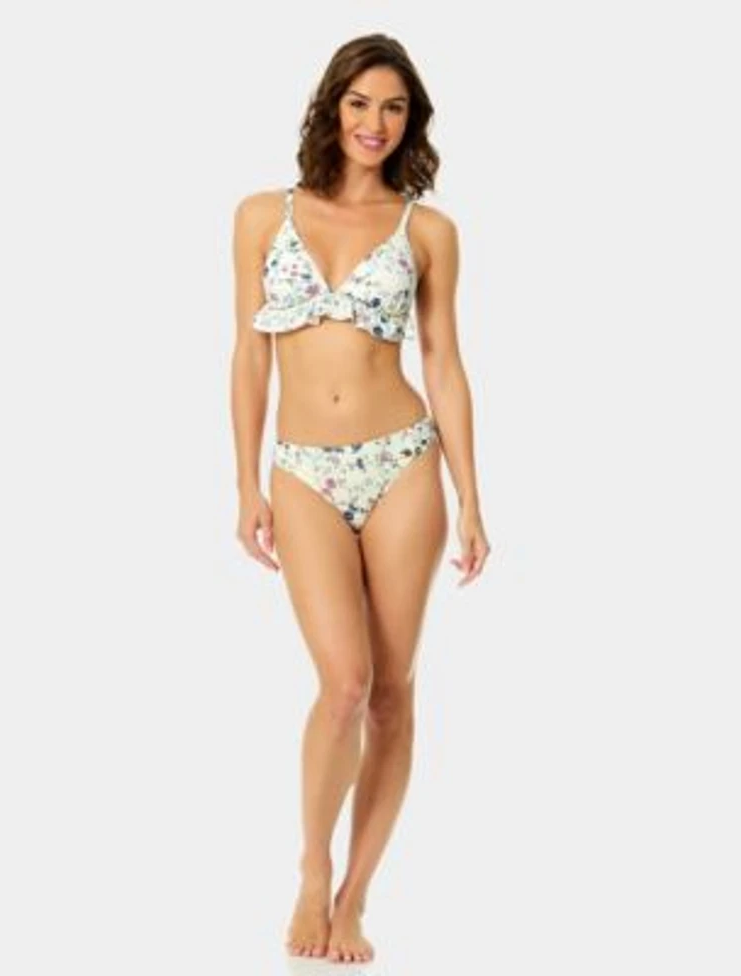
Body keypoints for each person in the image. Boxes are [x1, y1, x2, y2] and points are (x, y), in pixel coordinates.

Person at [230, 32, 490, 965]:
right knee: (343, 683)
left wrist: (471, 496)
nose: (374, 123)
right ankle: (313, 867)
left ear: (410, 120)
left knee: (391, 693)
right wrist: (246, 481)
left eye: (393, 107)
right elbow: (248, 354)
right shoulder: (263, 215)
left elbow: (445, 363)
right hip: (304, 469)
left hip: (403, 464)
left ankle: (354, 897)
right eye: (359, 103)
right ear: (331, 107)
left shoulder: (429, 231)